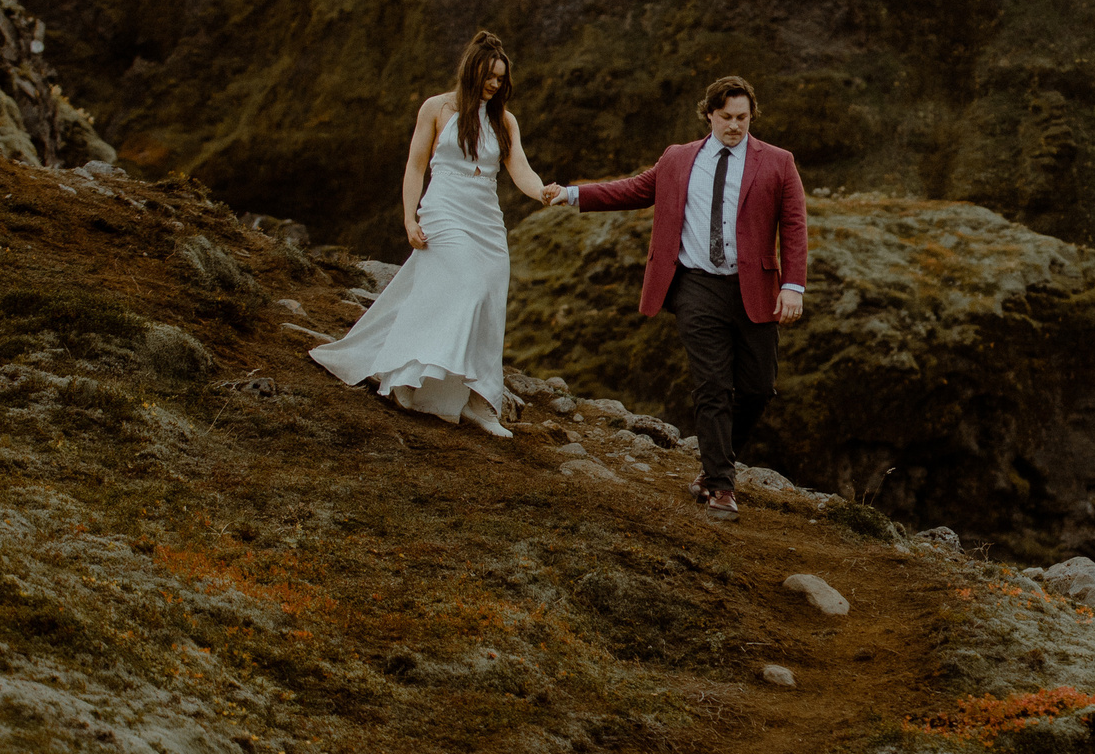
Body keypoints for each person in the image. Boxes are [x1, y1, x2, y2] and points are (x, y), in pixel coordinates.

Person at [539, 74, 805, 516]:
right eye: (726, 117)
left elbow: (794, 224)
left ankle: (714, 462)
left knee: (758, 389)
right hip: (695, 287)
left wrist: (793, 285)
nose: (735, 126)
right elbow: (633, 190)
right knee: (713, 386)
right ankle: (721, 487)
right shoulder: (679, 158)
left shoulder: (778, 162)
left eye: (743, 118)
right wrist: (571, 195)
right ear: (709, 115)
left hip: (753, 288)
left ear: (751, 116)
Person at [310, 30, 548, 436]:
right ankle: (414, 378)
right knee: (470, 288)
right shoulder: (436, 109)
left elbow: (520, 170)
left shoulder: (504, 121)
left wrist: (544, 191)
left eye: (500, 79)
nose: (495, 84)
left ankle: (477, 401)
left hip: (487, 220)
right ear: (472, 71)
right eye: (489, 76)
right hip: (444, 210)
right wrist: (409, 219)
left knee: (489, 304)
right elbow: (416, 166)